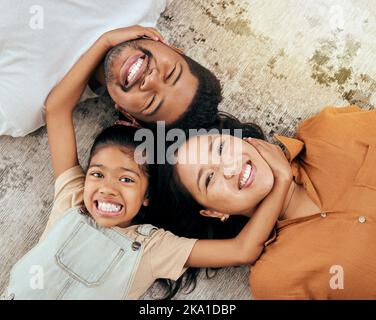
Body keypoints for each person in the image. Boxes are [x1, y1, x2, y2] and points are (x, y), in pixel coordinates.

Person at [1, 28, 295, 300]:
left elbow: (242, 250)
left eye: (127, 179)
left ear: (147, 198)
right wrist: (105, 42)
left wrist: (281, 182)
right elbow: (56, 108)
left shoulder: (156, 248)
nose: (108, 188)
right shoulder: (73, 198)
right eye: (97, 174)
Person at [154, 108, 376, 299]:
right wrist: (281, 178)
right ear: (214, 212)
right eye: (209, 179)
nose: (229, 168)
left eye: (221, 148)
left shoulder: (328, 130)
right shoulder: (276, 278)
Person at [0, 1, 221, 137]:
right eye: (171, 73)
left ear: (127, 113)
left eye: (151, 102)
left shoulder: (22, 106)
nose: (151, 81)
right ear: (175, 49)